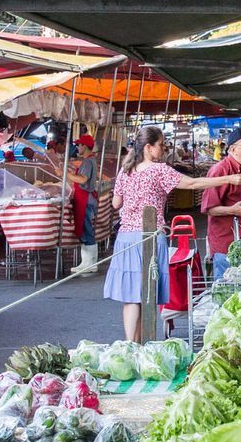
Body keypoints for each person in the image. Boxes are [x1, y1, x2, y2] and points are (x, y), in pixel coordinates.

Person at [105, 126, 226, 340]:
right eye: (161, 145)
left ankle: (131, 345)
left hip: (126, 238)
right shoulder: (159, 170)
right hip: (150, 237)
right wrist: (227, 179)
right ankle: (137, 346)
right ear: (149, 147)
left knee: (132, 297)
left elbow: (116, 203)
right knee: (147, 294)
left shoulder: (125, 170)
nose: (164, 148)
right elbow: (193, 183)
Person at [200, 131, 241, 279]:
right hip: (227, 246)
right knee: (227, 291)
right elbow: (208, 208)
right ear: (233, 149)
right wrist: (233, 210)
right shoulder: (220, 171)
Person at [68, 133, 101, 275]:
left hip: (85, 199)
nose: (77, 147)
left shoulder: (88, 162)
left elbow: (82, 180)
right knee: (86, 229)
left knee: (87, 230)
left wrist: (64, 174)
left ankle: (91, 263)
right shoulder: (89, 160)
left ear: (85, 146)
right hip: (85, 198)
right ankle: (87, 262)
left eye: (79, 145)